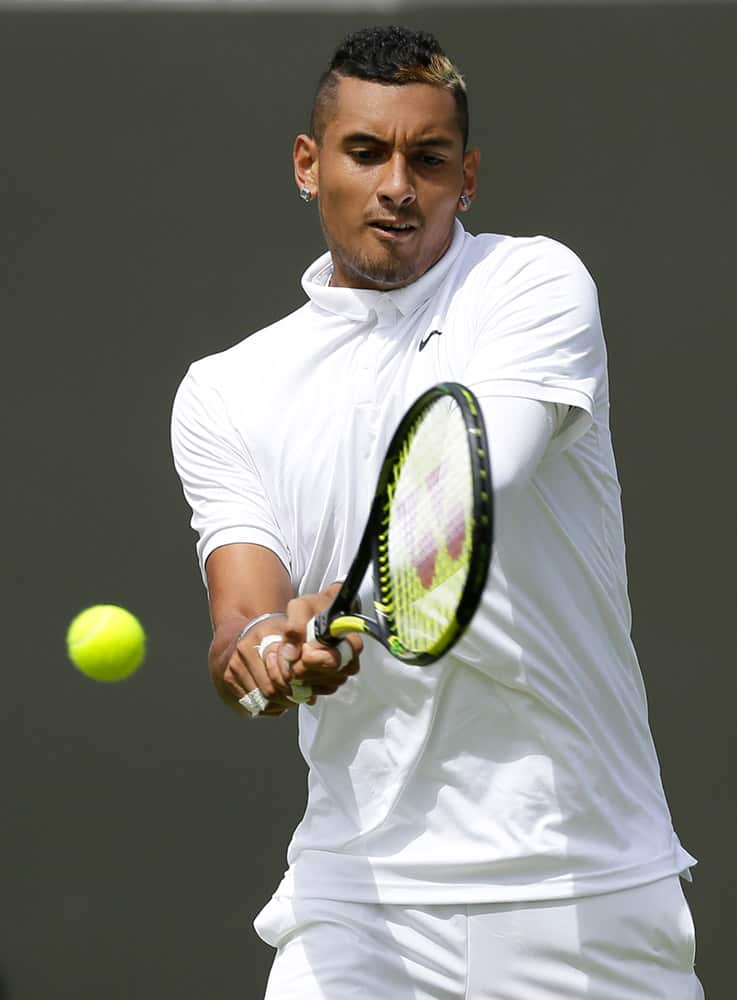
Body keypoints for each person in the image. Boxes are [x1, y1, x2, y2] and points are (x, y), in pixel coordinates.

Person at [171, 25, 703, 1000]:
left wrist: (341, 597)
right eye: (365, 151)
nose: (396, 185)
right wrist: (266, 660)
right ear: (307, 163)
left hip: (581, 889)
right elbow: (240, 627)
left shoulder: (531, 284)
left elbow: (468, 484)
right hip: (355, 901)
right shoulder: (225, 391)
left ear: (466, 177)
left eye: (428, 158)